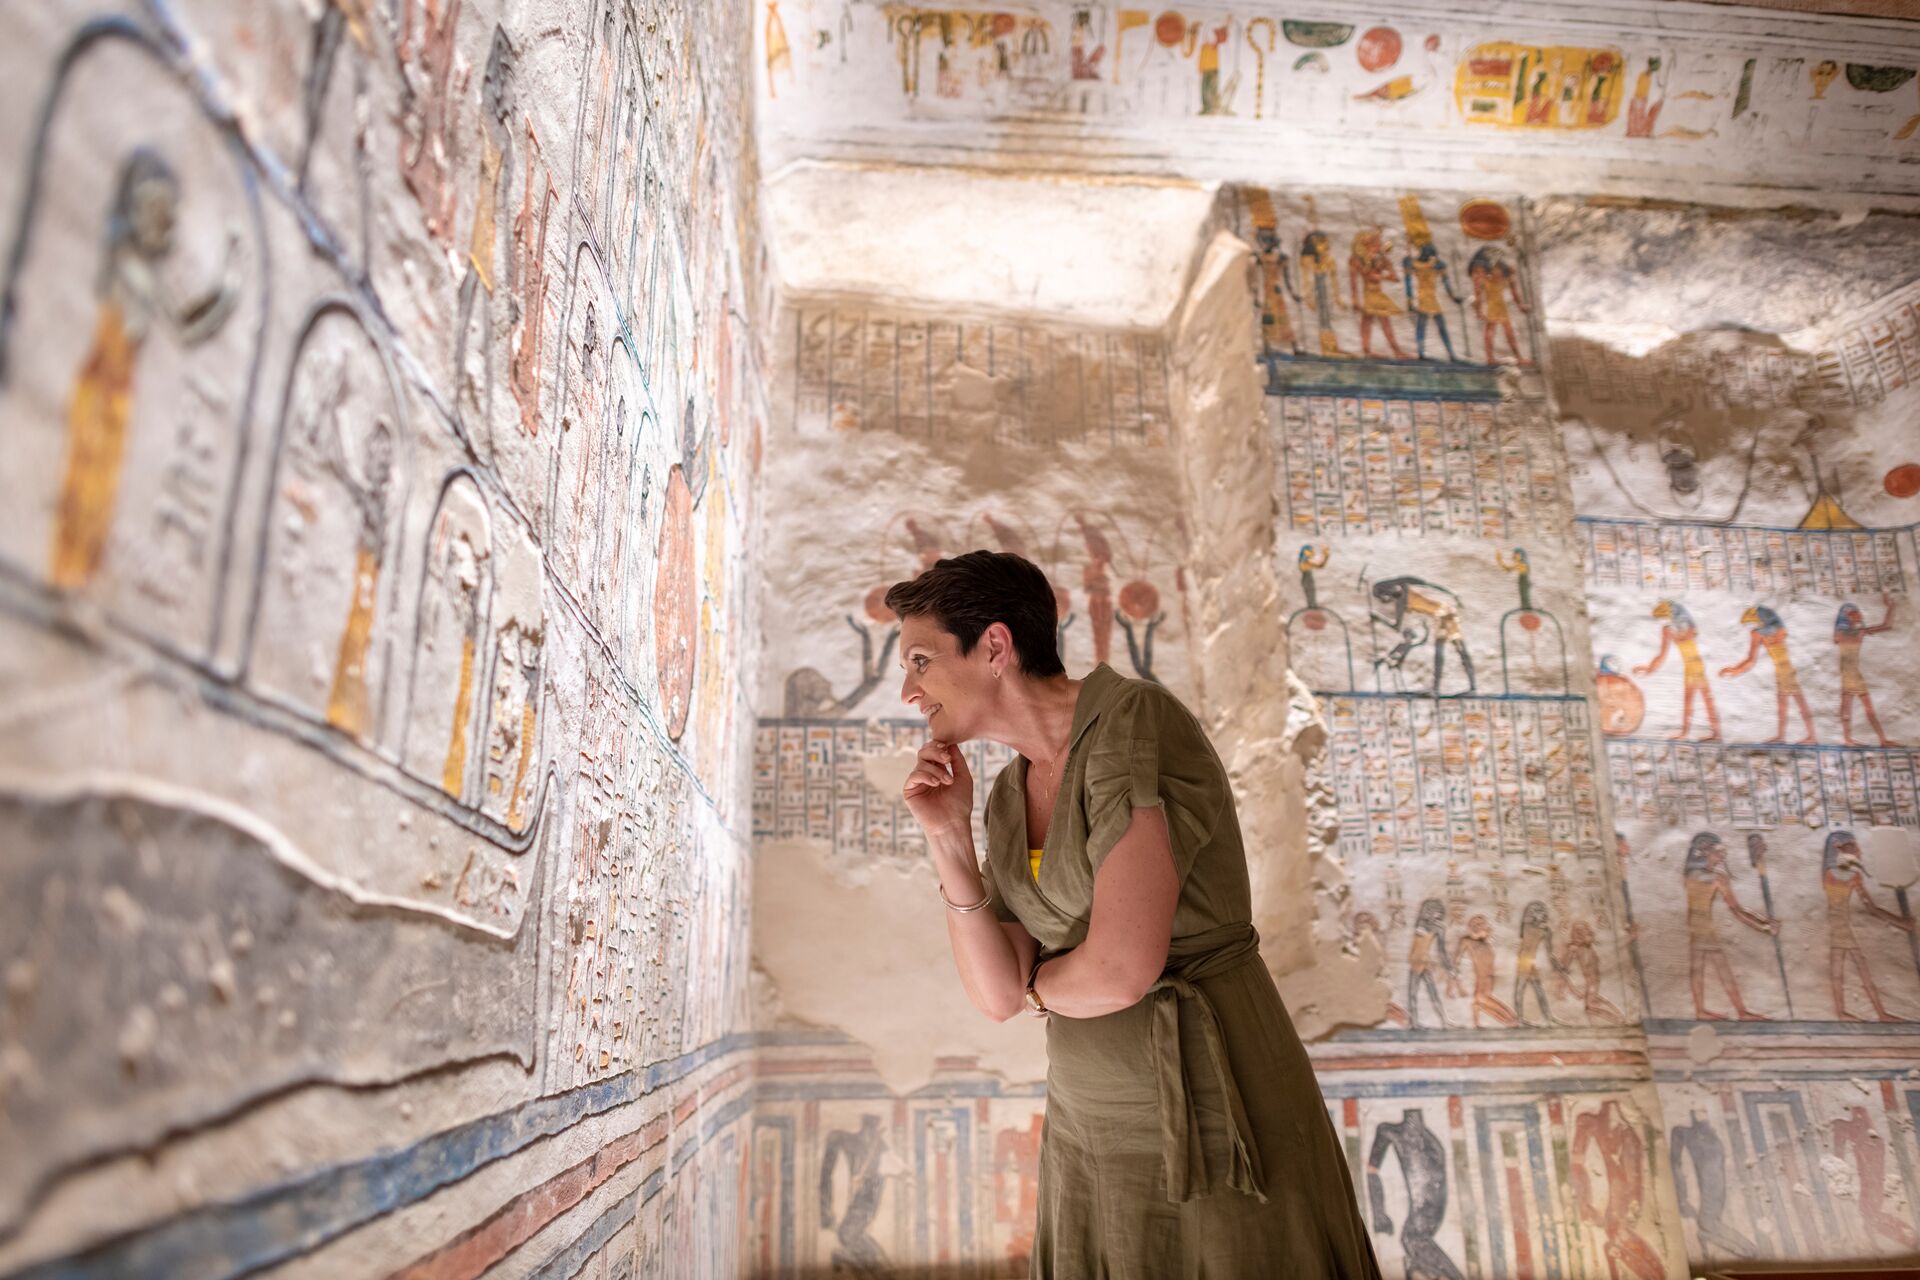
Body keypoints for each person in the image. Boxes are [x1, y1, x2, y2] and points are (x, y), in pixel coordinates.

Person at [892, 550, 1380, 1277]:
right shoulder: (1003, 797)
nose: (909, 690)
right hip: (1089, 1119)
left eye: (921, 660)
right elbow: (996, 996)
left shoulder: (1132, 722)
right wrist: (946, 837)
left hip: (1218, 1101)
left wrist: (1037, 986)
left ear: (994, 646)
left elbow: (1121, 971)